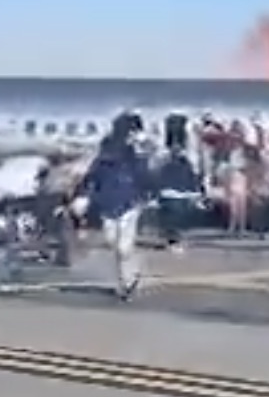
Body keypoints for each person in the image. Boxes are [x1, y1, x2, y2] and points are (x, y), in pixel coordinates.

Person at [73, 113, 155, 300]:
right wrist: (83, 194)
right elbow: (93, 174)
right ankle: (127, 277)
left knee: (123, 247)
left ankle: (128, 282)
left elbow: (145, 172)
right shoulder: (109, 149)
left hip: (130, 201)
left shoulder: (137, 151)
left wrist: (147, 193)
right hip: (108, 201)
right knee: (112, 242)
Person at [155, 143, 203, 251]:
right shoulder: (186, 166)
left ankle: (172, 242)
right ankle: (175, 242)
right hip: (181, 197)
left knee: (170, 222)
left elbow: (158, 182)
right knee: (178, 222)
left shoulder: (165, 166)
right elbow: (193, 182)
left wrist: (156, 196)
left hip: (168, 196)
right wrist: (196, 195)